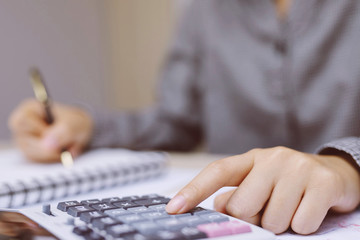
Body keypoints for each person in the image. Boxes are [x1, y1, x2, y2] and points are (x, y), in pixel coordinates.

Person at [8, 0, 360, 235]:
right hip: (230, 211)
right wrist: (90, 127)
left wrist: (346, 166)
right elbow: (176, 123)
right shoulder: (205, 10)